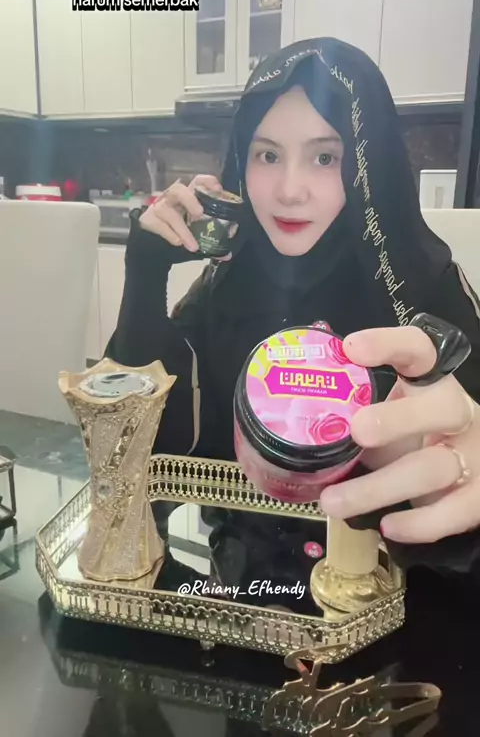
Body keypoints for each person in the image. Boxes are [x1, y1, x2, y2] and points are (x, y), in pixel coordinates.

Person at [106, 38, 480, 598]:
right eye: (267, 155)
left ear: (368, 165)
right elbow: (136, 454)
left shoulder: (423, 292)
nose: (288, 191)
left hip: (400, 608)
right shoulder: (229, 284)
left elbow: (463, 457)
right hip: (240, 602)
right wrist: (144, 274)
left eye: (325, 158)